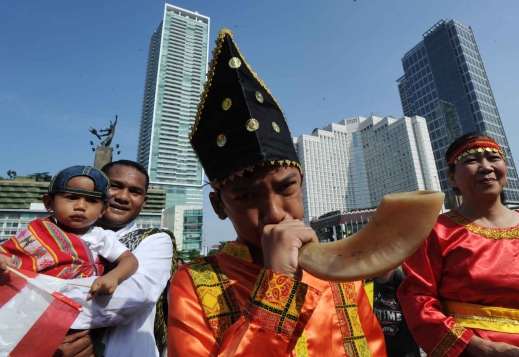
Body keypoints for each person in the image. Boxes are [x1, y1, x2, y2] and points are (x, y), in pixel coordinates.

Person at [167, 29, 387, 356]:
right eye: (246, 197)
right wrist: (278, 282)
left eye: (286, 187)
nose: (274, 212)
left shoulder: (340, 270)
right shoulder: (193, 282)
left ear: (302, 182)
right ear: (218, 206)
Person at [397, 132, 519, 356]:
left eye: (494, 158)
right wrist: (482, 349)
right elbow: (417, 300)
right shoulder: (435, 232)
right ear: (452, 178)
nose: (486, 167)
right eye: (471, 160)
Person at [55, 160, 176, 357]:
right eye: (115, 186)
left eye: (135, 192)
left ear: (144, 202)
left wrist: (34, 302)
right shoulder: (56, 235)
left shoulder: (155, 239)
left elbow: (133, 297)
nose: (123, 197)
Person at [0, 165, 138, 299]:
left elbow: (129, 260)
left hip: (75, 305)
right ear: (49, 203)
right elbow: (10, 256)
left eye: (92, 200)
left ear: (102, 210)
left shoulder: (101, 237)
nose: (81, 206)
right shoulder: (37, 231)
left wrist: (113, 276)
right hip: (27, 298)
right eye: (71, 197)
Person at [373, 269, 420, 357]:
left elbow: (413, 306)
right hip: (385, 344)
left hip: (405, 345)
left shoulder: (399, 277)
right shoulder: (371, 278)